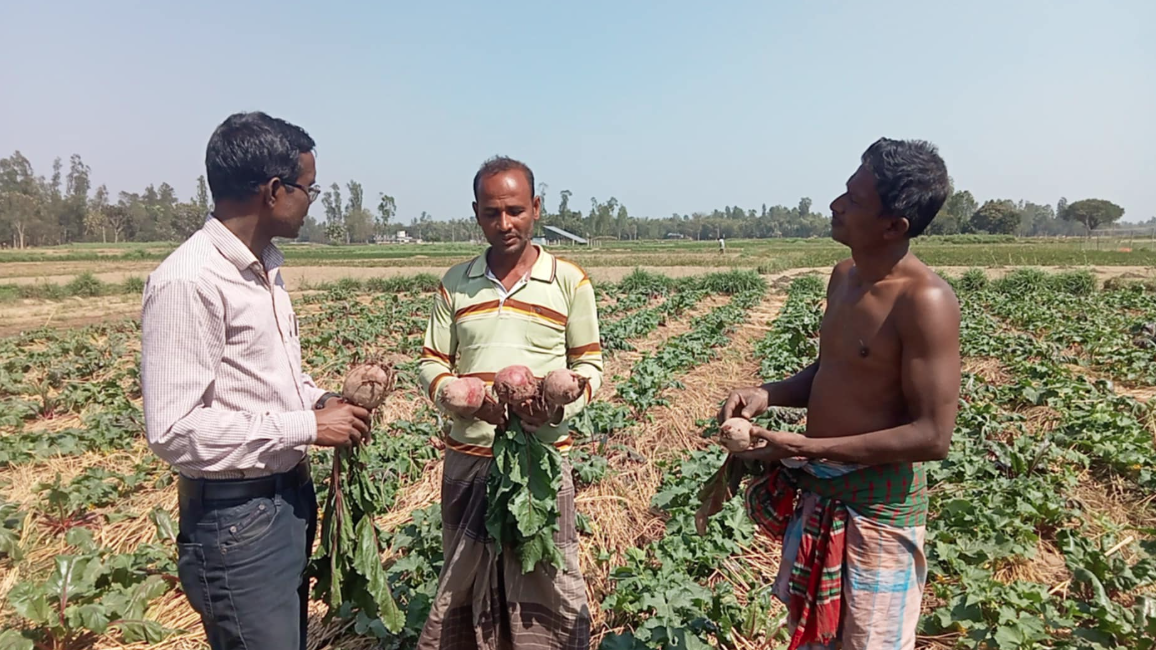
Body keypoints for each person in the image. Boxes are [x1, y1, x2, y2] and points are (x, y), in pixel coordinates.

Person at [718, 137, 960, 650]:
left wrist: (806, 448)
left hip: (877, 518)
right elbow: (835, 368)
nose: (836, 205)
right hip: (823, 494)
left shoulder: (926, 300)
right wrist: (768, 393)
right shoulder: (844, 276)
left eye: (854, 199)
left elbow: (932, 436)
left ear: (895, 226)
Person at [140, 112, 371, 650]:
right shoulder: (190, 280)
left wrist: (321, 399)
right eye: (308, 189)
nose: (311, 201)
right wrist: (307, 426)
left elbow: (268, 376)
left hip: (281, 504)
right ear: (273, 190)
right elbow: (174, 431)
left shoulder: (264, 267)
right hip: (235, 522)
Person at [417, 156, 602, 649]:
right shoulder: (455, 282)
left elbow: (590, 368)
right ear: (476, 212)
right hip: (469, 458)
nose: (505, 224)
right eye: (492, 213)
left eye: (516, 211)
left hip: (539, 460)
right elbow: (431, 364)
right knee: (463, 580)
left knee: (547, 579)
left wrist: (554, 407)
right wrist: (466, 402)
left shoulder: (569, 281)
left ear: (536, 208)